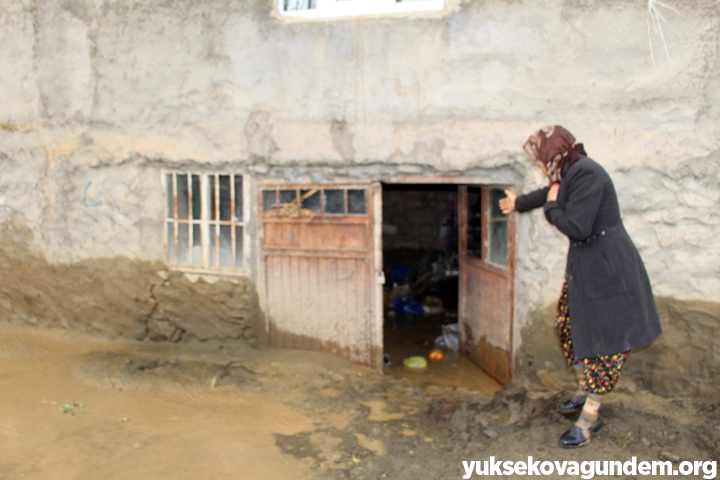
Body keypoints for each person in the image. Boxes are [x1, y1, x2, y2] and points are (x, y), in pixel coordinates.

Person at [499, 126, 662, 448]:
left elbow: (576, 225)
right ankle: (587, 388)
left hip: (609, 270)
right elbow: (553, 192)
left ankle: (590, 418)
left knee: (606, 344)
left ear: (555, 155)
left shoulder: (587, 174)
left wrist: (549, 210)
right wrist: (520, 203)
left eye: (542, 160)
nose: (540, 166)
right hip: (588, 269)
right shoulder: (571, 170)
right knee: (568, 326)